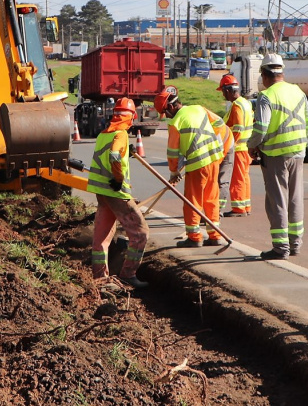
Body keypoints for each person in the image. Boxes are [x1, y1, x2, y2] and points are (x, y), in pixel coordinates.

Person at [246, 54, 308, 260]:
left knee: (277, 201)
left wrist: (252, 145)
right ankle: (295, 244)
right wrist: (302, 145)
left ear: (265, 75)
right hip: (298, 153)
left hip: (275, 154)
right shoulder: (298, 92)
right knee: (295, 199)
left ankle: (280, 247)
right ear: (282, 73)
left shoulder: (267, 96)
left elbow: (261, 127)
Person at [85, 97, 151, 289]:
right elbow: (114, 155)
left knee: (101, 238)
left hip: (102, 193)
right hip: (115, 193)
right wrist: (119, 179)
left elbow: (109, 154)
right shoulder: (121, 134)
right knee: (141, 233)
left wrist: (126, 152)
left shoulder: (104, 134)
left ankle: (100, 279)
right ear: (131, 118)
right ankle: (128, 275)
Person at [153, 86, 225, 247]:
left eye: (166, 112)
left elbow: (172, 153)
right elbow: (219, 123)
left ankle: (194, 237)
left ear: (171, 107)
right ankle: (215, 235)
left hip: (198, 163)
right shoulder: (199, 108)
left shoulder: (176, 122)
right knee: (211, 198)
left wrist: (174, 172)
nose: (167, 116)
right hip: (214, 159)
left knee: (193, 201)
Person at [217, 73, 254, 217]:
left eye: (223, 92)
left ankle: (239, 208)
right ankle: (245, 206)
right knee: (244, 178)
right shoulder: (246, 103)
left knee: (237, 179)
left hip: (238, 148)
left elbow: (238, 128)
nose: (223, 96)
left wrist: (229, 145)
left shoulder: (237, 106)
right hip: (245, 148)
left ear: (228, 91)